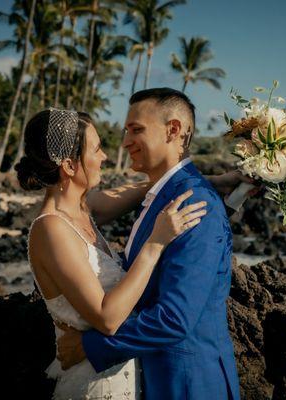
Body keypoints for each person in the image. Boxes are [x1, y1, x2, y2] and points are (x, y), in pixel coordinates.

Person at [56, 88, 241, 399]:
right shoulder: (164, 196)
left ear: (173, 130)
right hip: (159, 379)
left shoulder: (195, 205)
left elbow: (175, 318)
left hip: (189, 385)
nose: (126, 141)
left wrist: (90, 346)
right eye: (127, 130)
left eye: (136, 130)